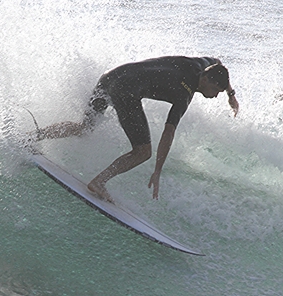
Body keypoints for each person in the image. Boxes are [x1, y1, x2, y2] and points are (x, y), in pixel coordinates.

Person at [33, 55, 239, 201]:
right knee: (143, 152)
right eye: (215, 90)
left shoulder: (201, 65)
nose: (216, 95)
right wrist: (157, 171)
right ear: (205, 79)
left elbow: (218, 62)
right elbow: (169, 132)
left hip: (110, 77)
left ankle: (33, 136)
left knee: (85, 127)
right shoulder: (183, 95)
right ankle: (99, 182)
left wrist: (231, 95)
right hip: (125, 91)